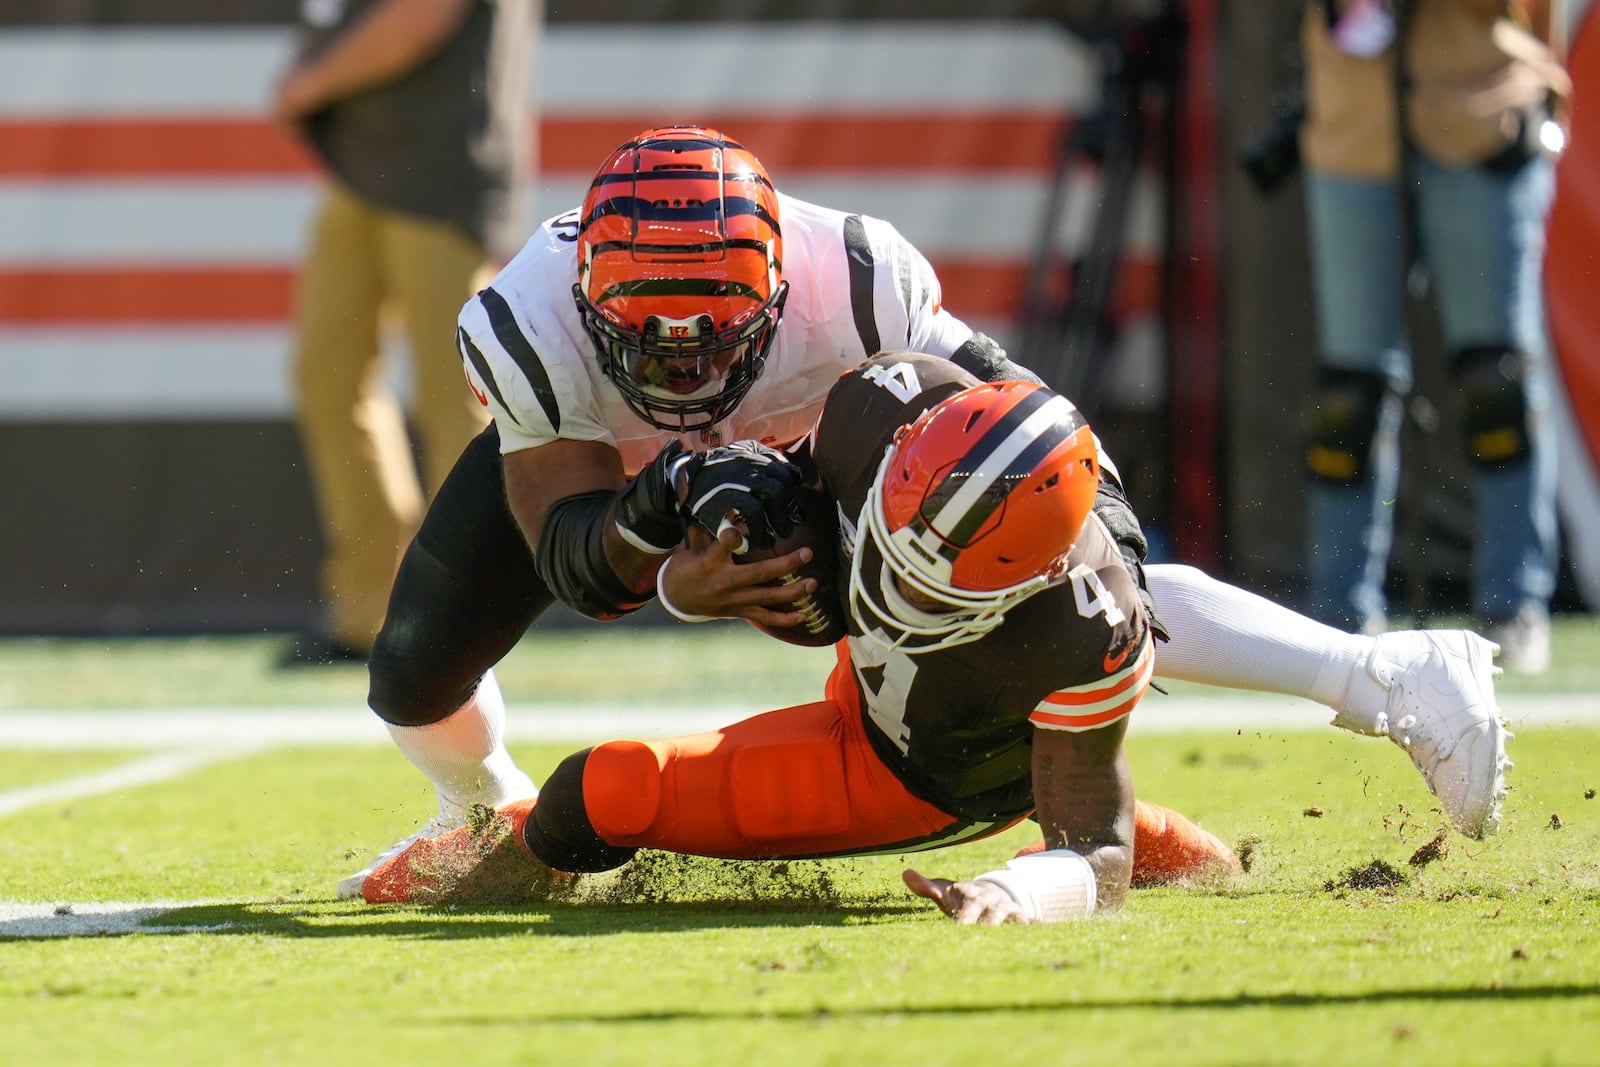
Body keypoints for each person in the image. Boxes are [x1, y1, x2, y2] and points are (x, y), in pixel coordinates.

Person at [338, 126, 1508, 902]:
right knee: (409, 670)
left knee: (1063, 556)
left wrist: (1094, 551)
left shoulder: (859, 281)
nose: (686, 373)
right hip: (625, 484)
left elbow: (1031, 427)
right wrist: (662, 541)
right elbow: (578, 564)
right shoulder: (524, 321)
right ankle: (481, 804)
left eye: (716, 338)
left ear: (781, 289)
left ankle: (1379, 675)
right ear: (585, 294)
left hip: (839, 452)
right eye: (648, 338)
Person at [360, 356, 1237, 917]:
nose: (890, 589)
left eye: (931, 584)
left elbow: (1100, 859)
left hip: (924, 770)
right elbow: (783, 506)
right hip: (871, 689)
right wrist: (700, 561)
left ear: (1032, 576)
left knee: (601, 791)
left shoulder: (1086, 627)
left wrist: (1027, 887)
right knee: (586, 794)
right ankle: (501, 862)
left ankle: (1120, 814)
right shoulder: (870, 409)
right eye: (894, 554)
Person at [1294, 0, 1569, 671]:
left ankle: (1514, 603)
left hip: (1481, 110)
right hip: (1353, 124)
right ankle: (1341, 615)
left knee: (1495, 378)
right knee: (1348, 395)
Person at [271, 0, 537, 665]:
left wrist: (310, 81)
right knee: (329, 378)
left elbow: (421, 16)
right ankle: (374, 612)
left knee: (459, 397)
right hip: (366, 174)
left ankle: (465, 614)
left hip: (442, 175)